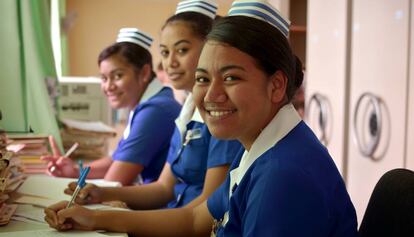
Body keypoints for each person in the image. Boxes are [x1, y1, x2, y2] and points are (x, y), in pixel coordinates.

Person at [44, 1, 358, 236]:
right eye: (203, 79)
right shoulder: (258, 145)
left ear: (276, 85)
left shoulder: (282, 176)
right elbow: (195, 219)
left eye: (232, 78)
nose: (210, 97)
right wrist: (96, 217)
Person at [45, 0, 241, 211]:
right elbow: (163, 187)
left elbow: (202, 215)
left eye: (182, 50)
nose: (170, 63)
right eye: (165, 53)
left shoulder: (159, 110)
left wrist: (105, 212)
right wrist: (93, 187)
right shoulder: (186, 112)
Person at [41, 28, 181, 186]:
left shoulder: (155, 111)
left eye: (118, 76)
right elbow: (118, 159)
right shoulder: (153, 102)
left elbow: (112, 184)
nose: (108, 86)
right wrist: (73, 171)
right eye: (103, 78)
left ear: (144, 73)